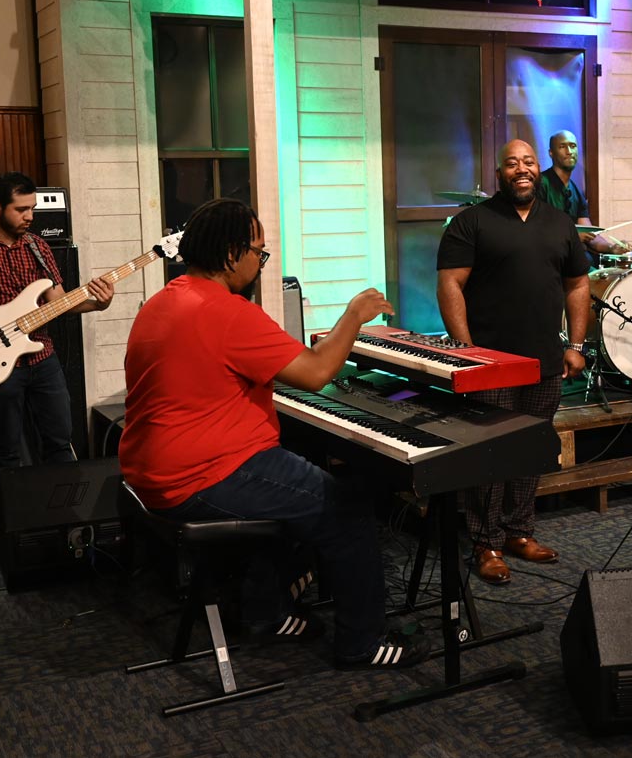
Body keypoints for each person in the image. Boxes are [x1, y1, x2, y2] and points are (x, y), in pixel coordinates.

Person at [119, 198, 423, 669]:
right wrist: (353, 315)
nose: (260, 263)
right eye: (258, 253)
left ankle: (267, 613)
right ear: (229, 255)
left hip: (148, 469)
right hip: (200, 476)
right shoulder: (227, 311)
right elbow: (318, 371)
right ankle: (362, 644)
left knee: (300, 488)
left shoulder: (163, 301)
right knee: (347, 510)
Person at [437, 139, 590, 584]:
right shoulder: (472, 222)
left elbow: (578, 286)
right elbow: (450, 286)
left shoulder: (560, 223)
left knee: (530, 449)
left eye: (528, 162)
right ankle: (486, 542)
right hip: (492, 364)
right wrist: (470, 352)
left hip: (543, 362)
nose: (521, 169)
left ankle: (520, 532)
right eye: (511, 163)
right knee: (490, 454)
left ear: (536, 169)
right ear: (499, 172)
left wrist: (576, 343)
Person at [0, 171, 114, 469]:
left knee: (59, 440)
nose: (29, 216)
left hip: (43, 357)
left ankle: (63, 511)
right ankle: (13, 513)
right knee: (7, 448)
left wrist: (97, 304)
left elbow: (58, 304)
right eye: (21, 209)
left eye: (32, 208)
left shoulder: (38, 247)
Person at [535, 129, 630, 265]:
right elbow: (536, 229)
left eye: (573, 146)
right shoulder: (541, 183)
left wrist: (612, 247)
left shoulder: (576, 191)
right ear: (551, 153)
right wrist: (572, 237)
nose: (569, 151)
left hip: (575, 259)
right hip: (549, 261)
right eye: (562, 147)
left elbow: (589, 234)